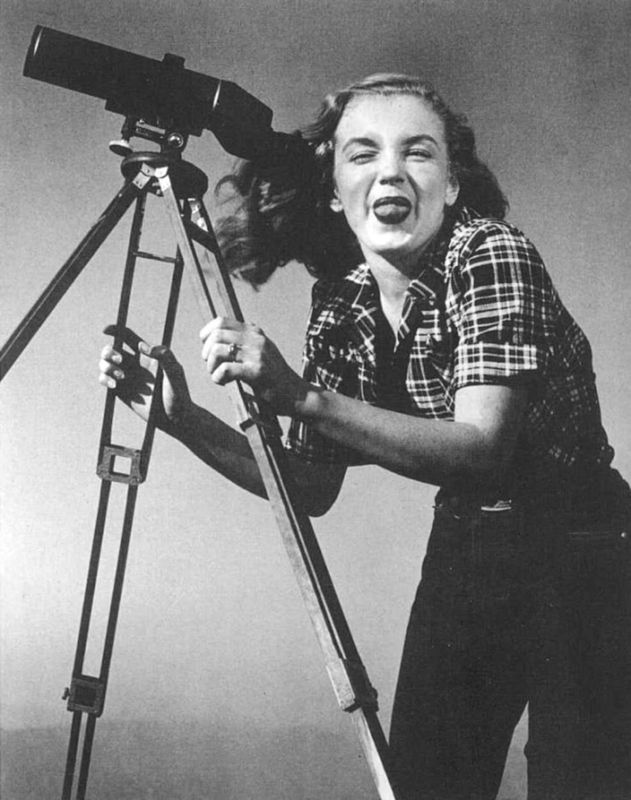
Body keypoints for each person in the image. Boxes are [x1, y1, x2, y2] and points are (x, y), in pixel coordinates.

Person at [99, 74, 631, 800]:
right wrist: (182, 418)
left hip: (585, 548)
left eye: (418, 153)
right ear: (332, 191)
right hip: (469, 544)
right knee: (426, 785)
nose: (390, 170)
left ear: (449, 185)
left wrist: (302, 396)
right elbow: (308, 488)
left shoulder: (490, 253)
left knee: (578, 785)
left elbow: (482, 447)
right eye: (362, 154)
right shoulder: (340, 309)